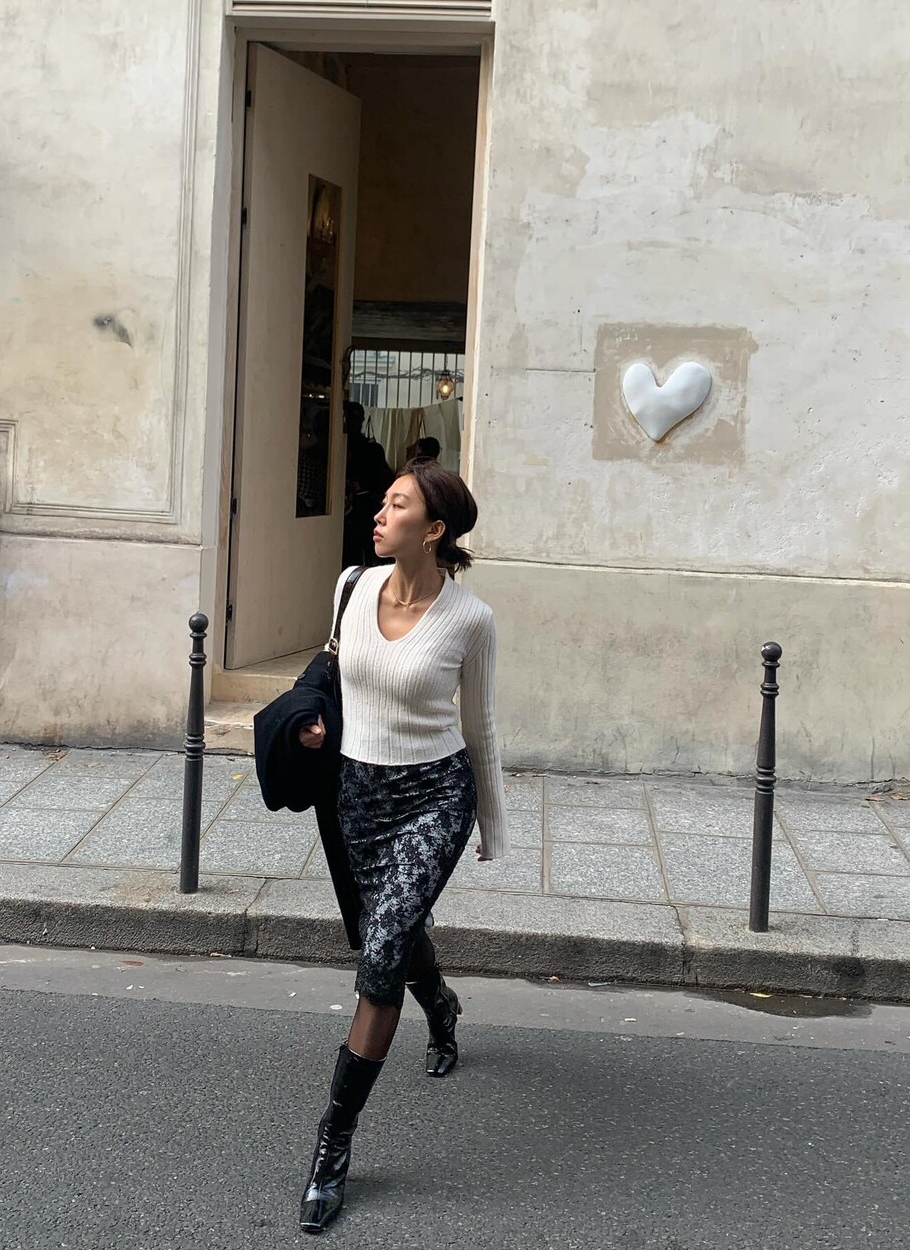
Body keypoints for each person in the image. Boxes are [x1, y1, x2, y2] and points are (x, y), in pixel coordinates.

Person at [296, 458, 510, 1234]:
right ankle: (441, 1004)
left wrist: (492, 824)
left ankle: (334, 1142)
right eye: (383, 502)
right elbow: (333, 675)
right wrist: (313, 722)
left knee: (382, 948)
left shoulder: (470, 619)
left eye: (397, 505)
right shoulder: (351, 586)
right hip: (360, 792)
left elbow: (480, 725)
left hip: (434, 798)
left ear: (435, 529)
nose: (379, 515)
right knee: (392, 929)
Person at [342, 401, 394, 567]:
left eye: (357, 419)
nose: (353, 423)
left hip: (364, 510)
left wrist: (364, 488)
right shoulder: (333, 445)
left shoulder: (371, 450)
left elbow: (385, 481)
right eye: (349, 418)